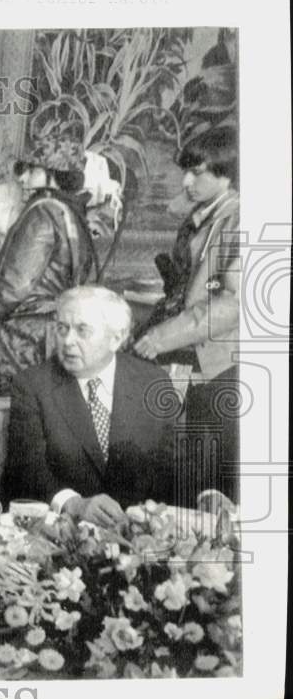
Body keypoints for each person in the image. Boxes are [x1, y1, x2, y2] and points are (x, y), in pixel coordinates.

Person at [4, 286, 176, 526]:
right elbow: (27, 470)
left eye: (82, 330)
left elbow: (176, 462)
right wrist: (75, 505)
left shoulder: (153, 382)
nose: (67, 341)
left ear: (117, 337)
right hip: (63, 531)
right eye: (62, 329)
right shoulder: (33, 385)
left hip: (141, 532)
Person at [133, 126, 240, 503]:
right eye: (186, 170)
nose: (186, 180)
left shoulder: (238, 218)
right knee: (183, 464)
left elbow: (232, 304)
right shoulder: (206, 214)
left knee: (207, 476)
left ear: (227, 173)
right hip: (197, 357)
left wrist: (162, 337)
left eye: (197, 171)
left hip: (218, 363)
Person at [0, 134, 97, 396]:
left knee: (13, 424)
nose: (22, 178)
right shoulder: (73, 213)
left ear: (53, 172)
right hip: (58, 334)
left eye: (30, 170)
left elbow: (14, 285)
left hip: (24, 338)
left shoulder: (42, 211)